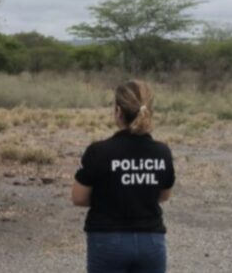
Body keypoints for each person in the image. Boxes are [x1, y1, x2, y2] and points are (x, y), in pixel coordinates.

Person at [72, 80, 175, 273]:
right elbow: (163, 195)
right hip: (151, 241)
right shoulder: (162, 152)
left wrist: (109, 197)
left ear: (118, 111)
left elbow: (78, 198)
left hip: (107, 239)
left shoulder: (98, 151)